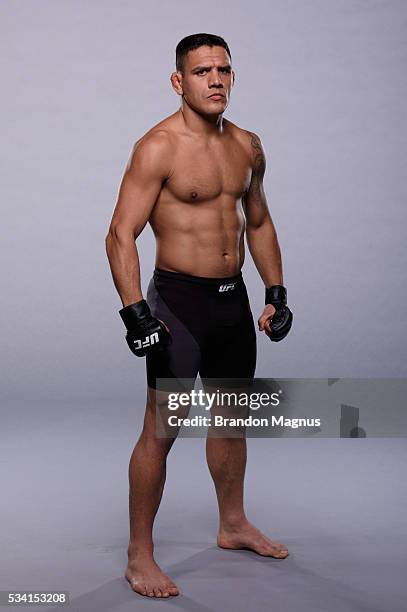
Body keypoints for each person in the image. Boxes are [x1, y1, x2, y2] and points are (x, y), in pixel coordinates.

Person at [105, 33, 293, 599]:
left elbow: (257, 222)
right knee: (162, 430)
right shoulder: (157, 146)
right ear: (178, 80)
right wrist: (136, 312)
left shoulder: (248, 146)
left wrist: (277, 292)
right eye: (202, 70)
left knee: (233, 420)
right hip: (179, 307)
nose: (215, 79)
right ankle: (140, 553)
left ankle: (232, 524)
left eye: (224, 70)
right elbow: (120, 233)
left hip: (232, 304)